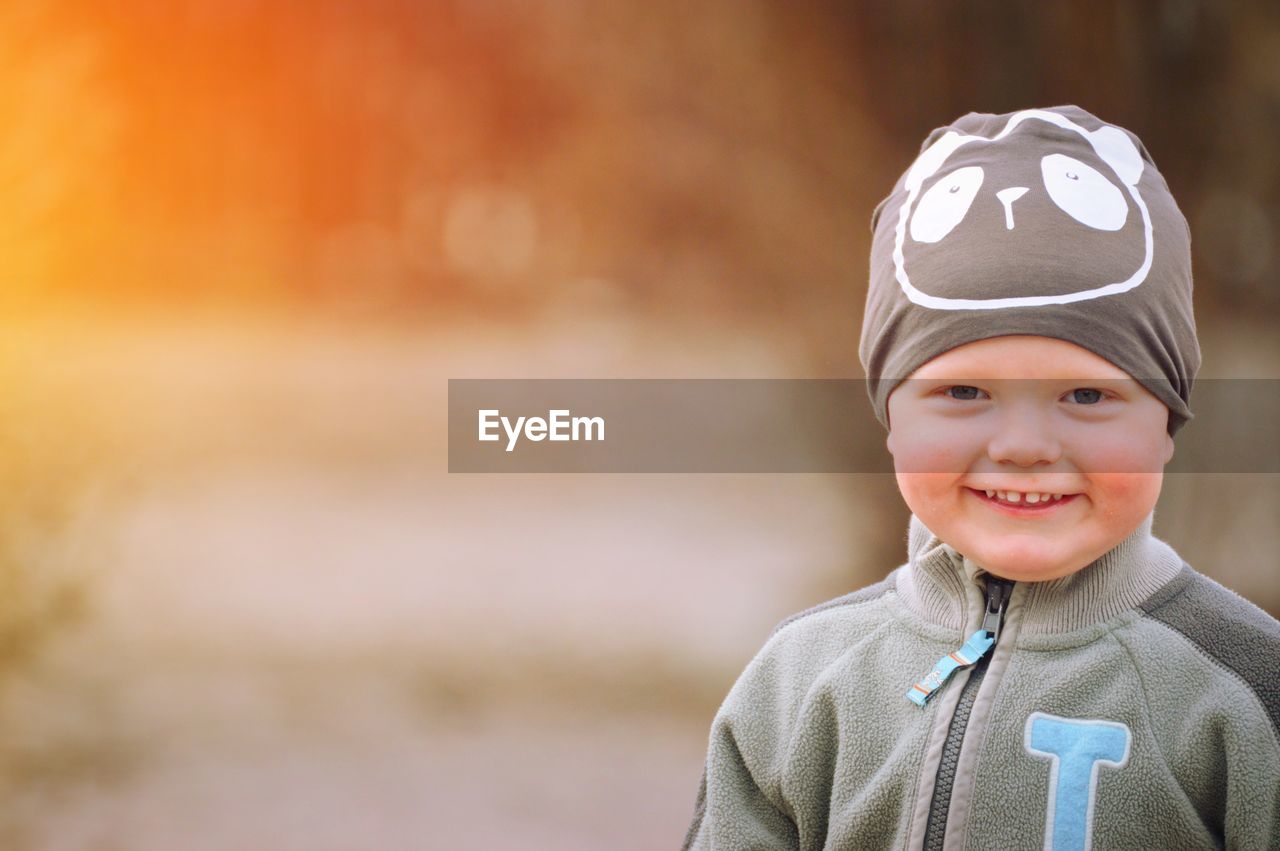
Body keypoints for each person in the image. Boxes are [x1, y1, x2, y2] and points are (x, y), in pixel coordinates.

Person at [680, 105, 1280, 850]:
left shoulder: (1247, 693)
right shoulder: (801, 682)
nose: (1024, 445)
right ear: (890, 415)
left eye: (1087, 395)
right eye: (965, 392)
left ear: (1168, 419)